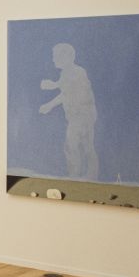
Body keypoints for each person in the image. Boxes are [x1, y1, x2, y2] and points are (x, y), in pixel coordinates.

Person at [39, 41, 99, 180]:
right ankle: (84, 174)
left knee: (74, 144)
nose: (53, 59)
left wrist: (53, 87)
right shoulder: (67, 73)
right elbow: (65, 92)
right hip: (79, 116)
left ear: (66, 57)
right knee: (83, 145)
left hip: (82, 115)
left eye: (55, 56)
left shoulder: (77, 72)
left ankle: (79, 175)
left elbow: (68, 91)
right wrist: (50, 103)